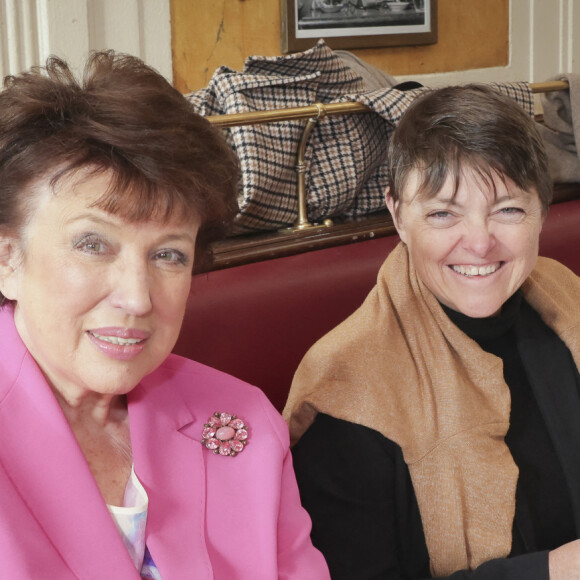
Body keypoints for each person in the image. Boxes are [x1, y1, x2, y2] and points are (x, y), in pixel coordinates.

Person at [0, 51, 330, 579]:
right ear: (8, 259)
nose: (138, 297)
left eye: (168, 254)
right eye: (93, 244)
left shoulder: (243, 418)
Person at [283, 84, 580, 579]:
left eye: (508, 209)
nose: (481, 243)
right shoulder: (343, 387)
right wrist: (553, 571)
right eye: (443, 213)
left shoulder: (565, 297)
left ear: (543, 210)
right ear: (399, 216)